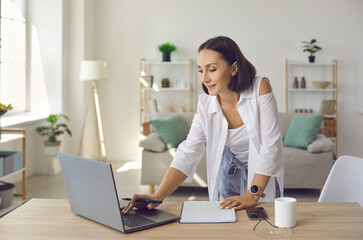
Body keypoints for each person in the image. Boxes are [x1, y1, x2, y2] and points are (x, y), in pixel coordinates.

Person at [122, 36, 284, 214]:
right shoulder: (205, 104)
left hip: (261, 170)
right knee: (227, 220)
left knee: (263, 219)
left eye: (212, 69)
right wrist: (158, 195)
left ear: (234, 68)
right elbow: (189, 151)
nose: (205, 78)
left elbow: (271, 146)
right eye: (200, 71)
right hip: (229, 170)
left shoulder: (260, 87)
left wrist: (252, 196)